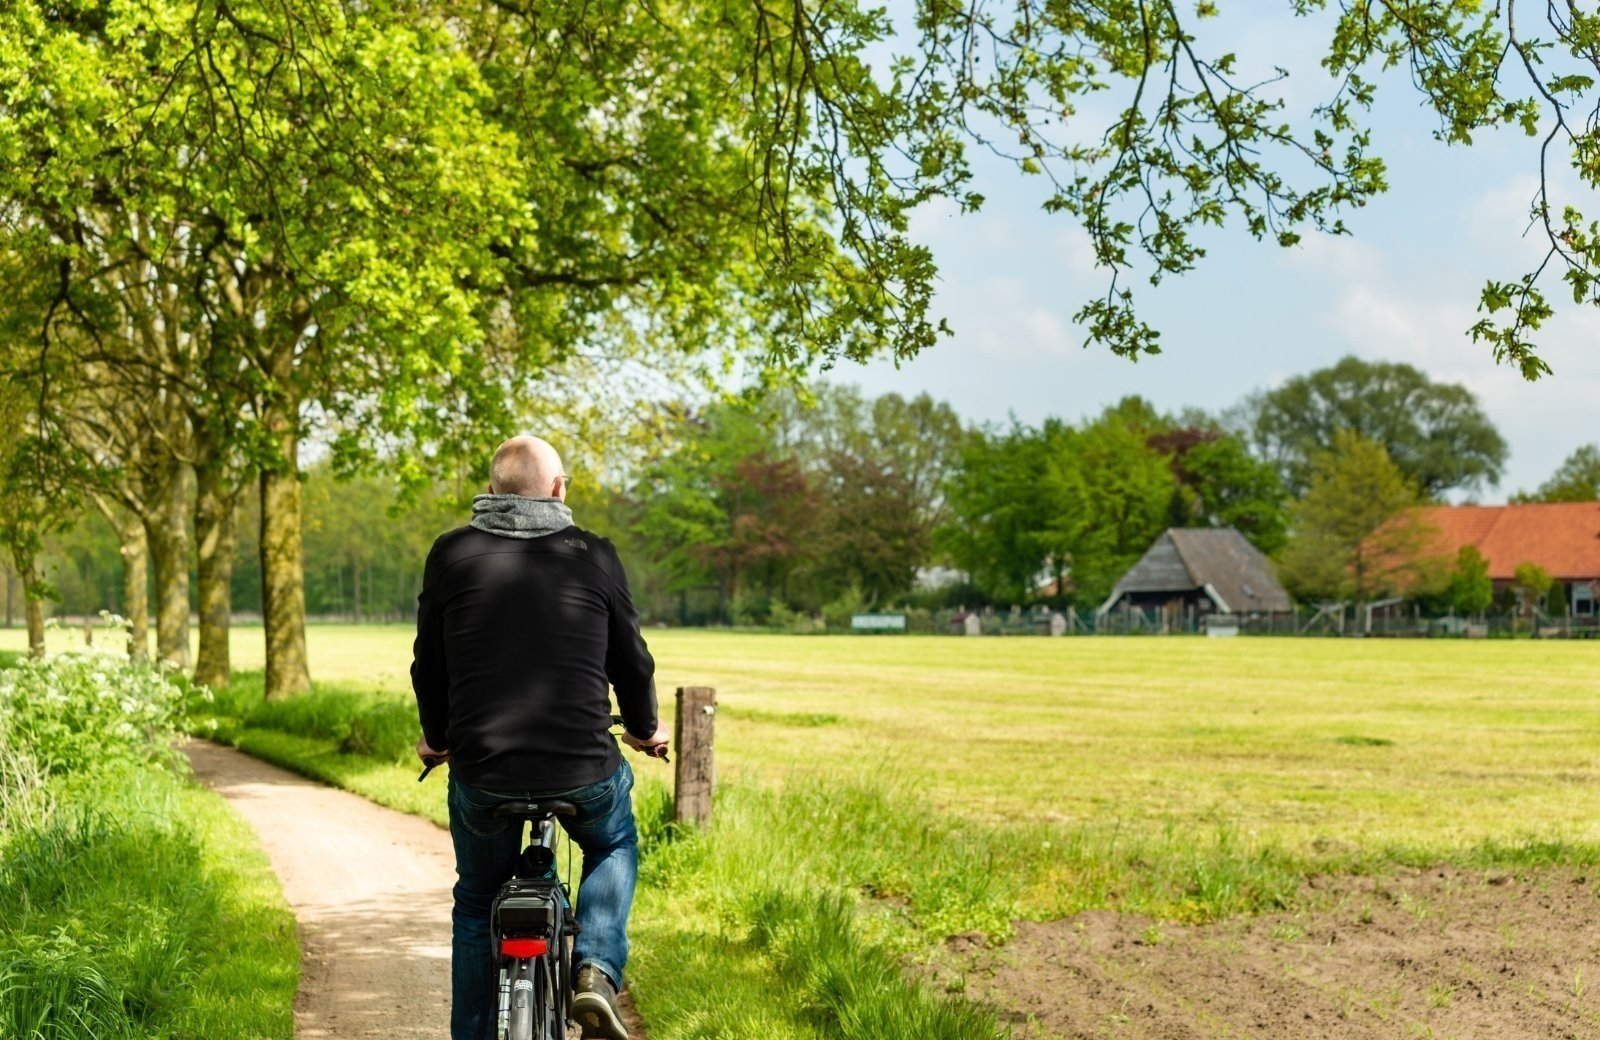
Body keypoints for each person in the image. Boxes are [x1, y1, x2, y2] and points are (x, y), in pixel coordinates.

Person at [412, 435, 668, 1040]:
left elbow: (430, 665)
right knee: (613, 843)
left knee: (479, 899)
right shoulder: (594, 553)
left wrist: (437, 738)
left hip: (483, 771)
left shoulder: (450, 554)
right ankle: (596, 970)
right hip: (583, 767)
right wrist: (642, 729)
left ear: (492, 490)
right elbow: (632, 662)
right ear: (557, 488)